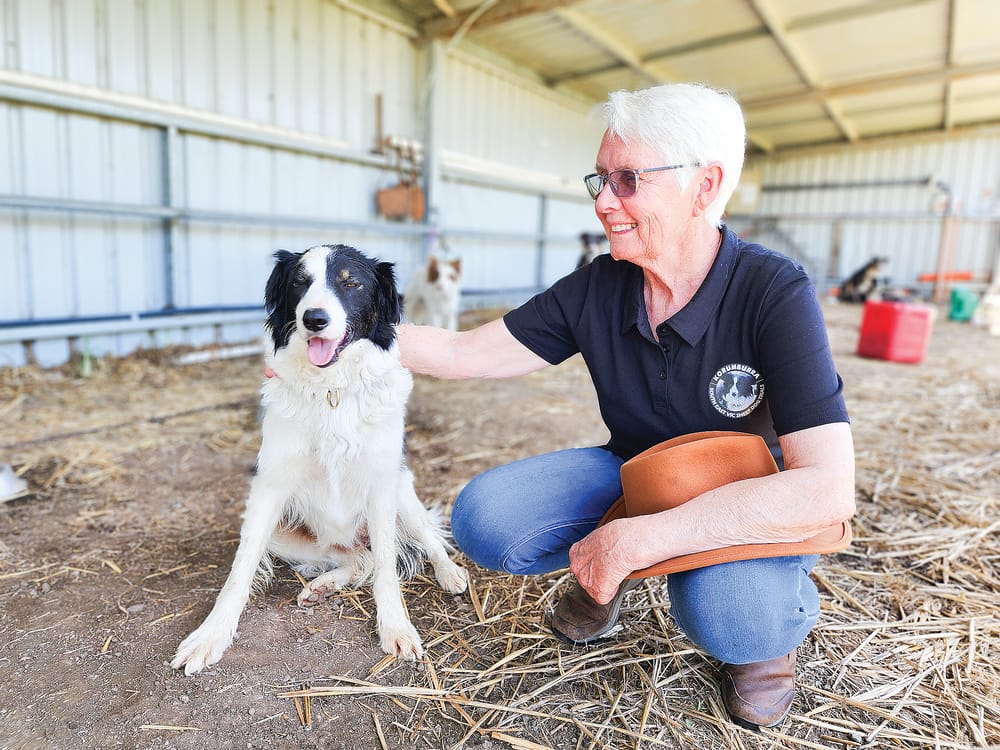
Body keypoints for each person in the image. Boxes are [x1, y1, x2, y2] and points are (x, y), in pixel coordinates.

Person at [400, 82, 856, 730]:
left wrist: (644, 537)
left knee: (728, 616)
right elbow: (467, 352)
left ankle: (768, 640)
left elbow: (827, 488)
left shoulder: (772, 290)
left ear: (704, 186)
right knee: (485, 518)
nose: (604, 203)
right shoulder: (601, 285)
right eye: (600, 180)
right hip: (637, 470)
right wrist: (353, 337)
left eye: (628, 180)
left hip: (746, 492)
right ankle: (615, 566)